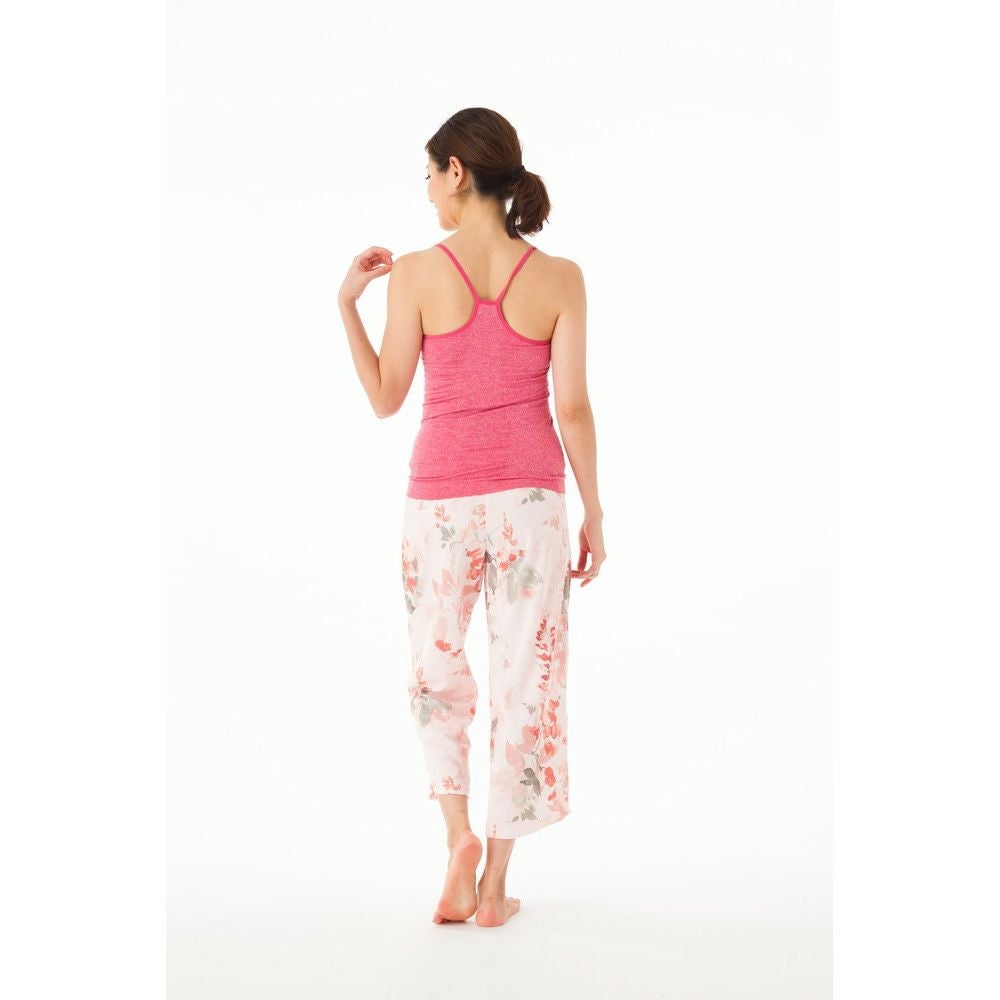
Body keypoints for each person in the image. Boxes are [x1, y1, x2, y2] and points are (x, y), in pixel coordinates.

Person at [337, 108, 605, 927]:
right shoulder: (560, 278)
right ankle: (494, 889)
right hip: (531, 502)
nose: (426, 193)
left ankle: (457, 839)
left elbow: (386, 398)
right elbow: (573, 407)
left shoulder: (418, 273)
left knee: (437, 669)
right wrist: (595, 509)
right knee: (527, 680)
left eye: (429, 175)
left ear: (458, 171)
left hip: (439, 502)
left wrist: (347, 304)